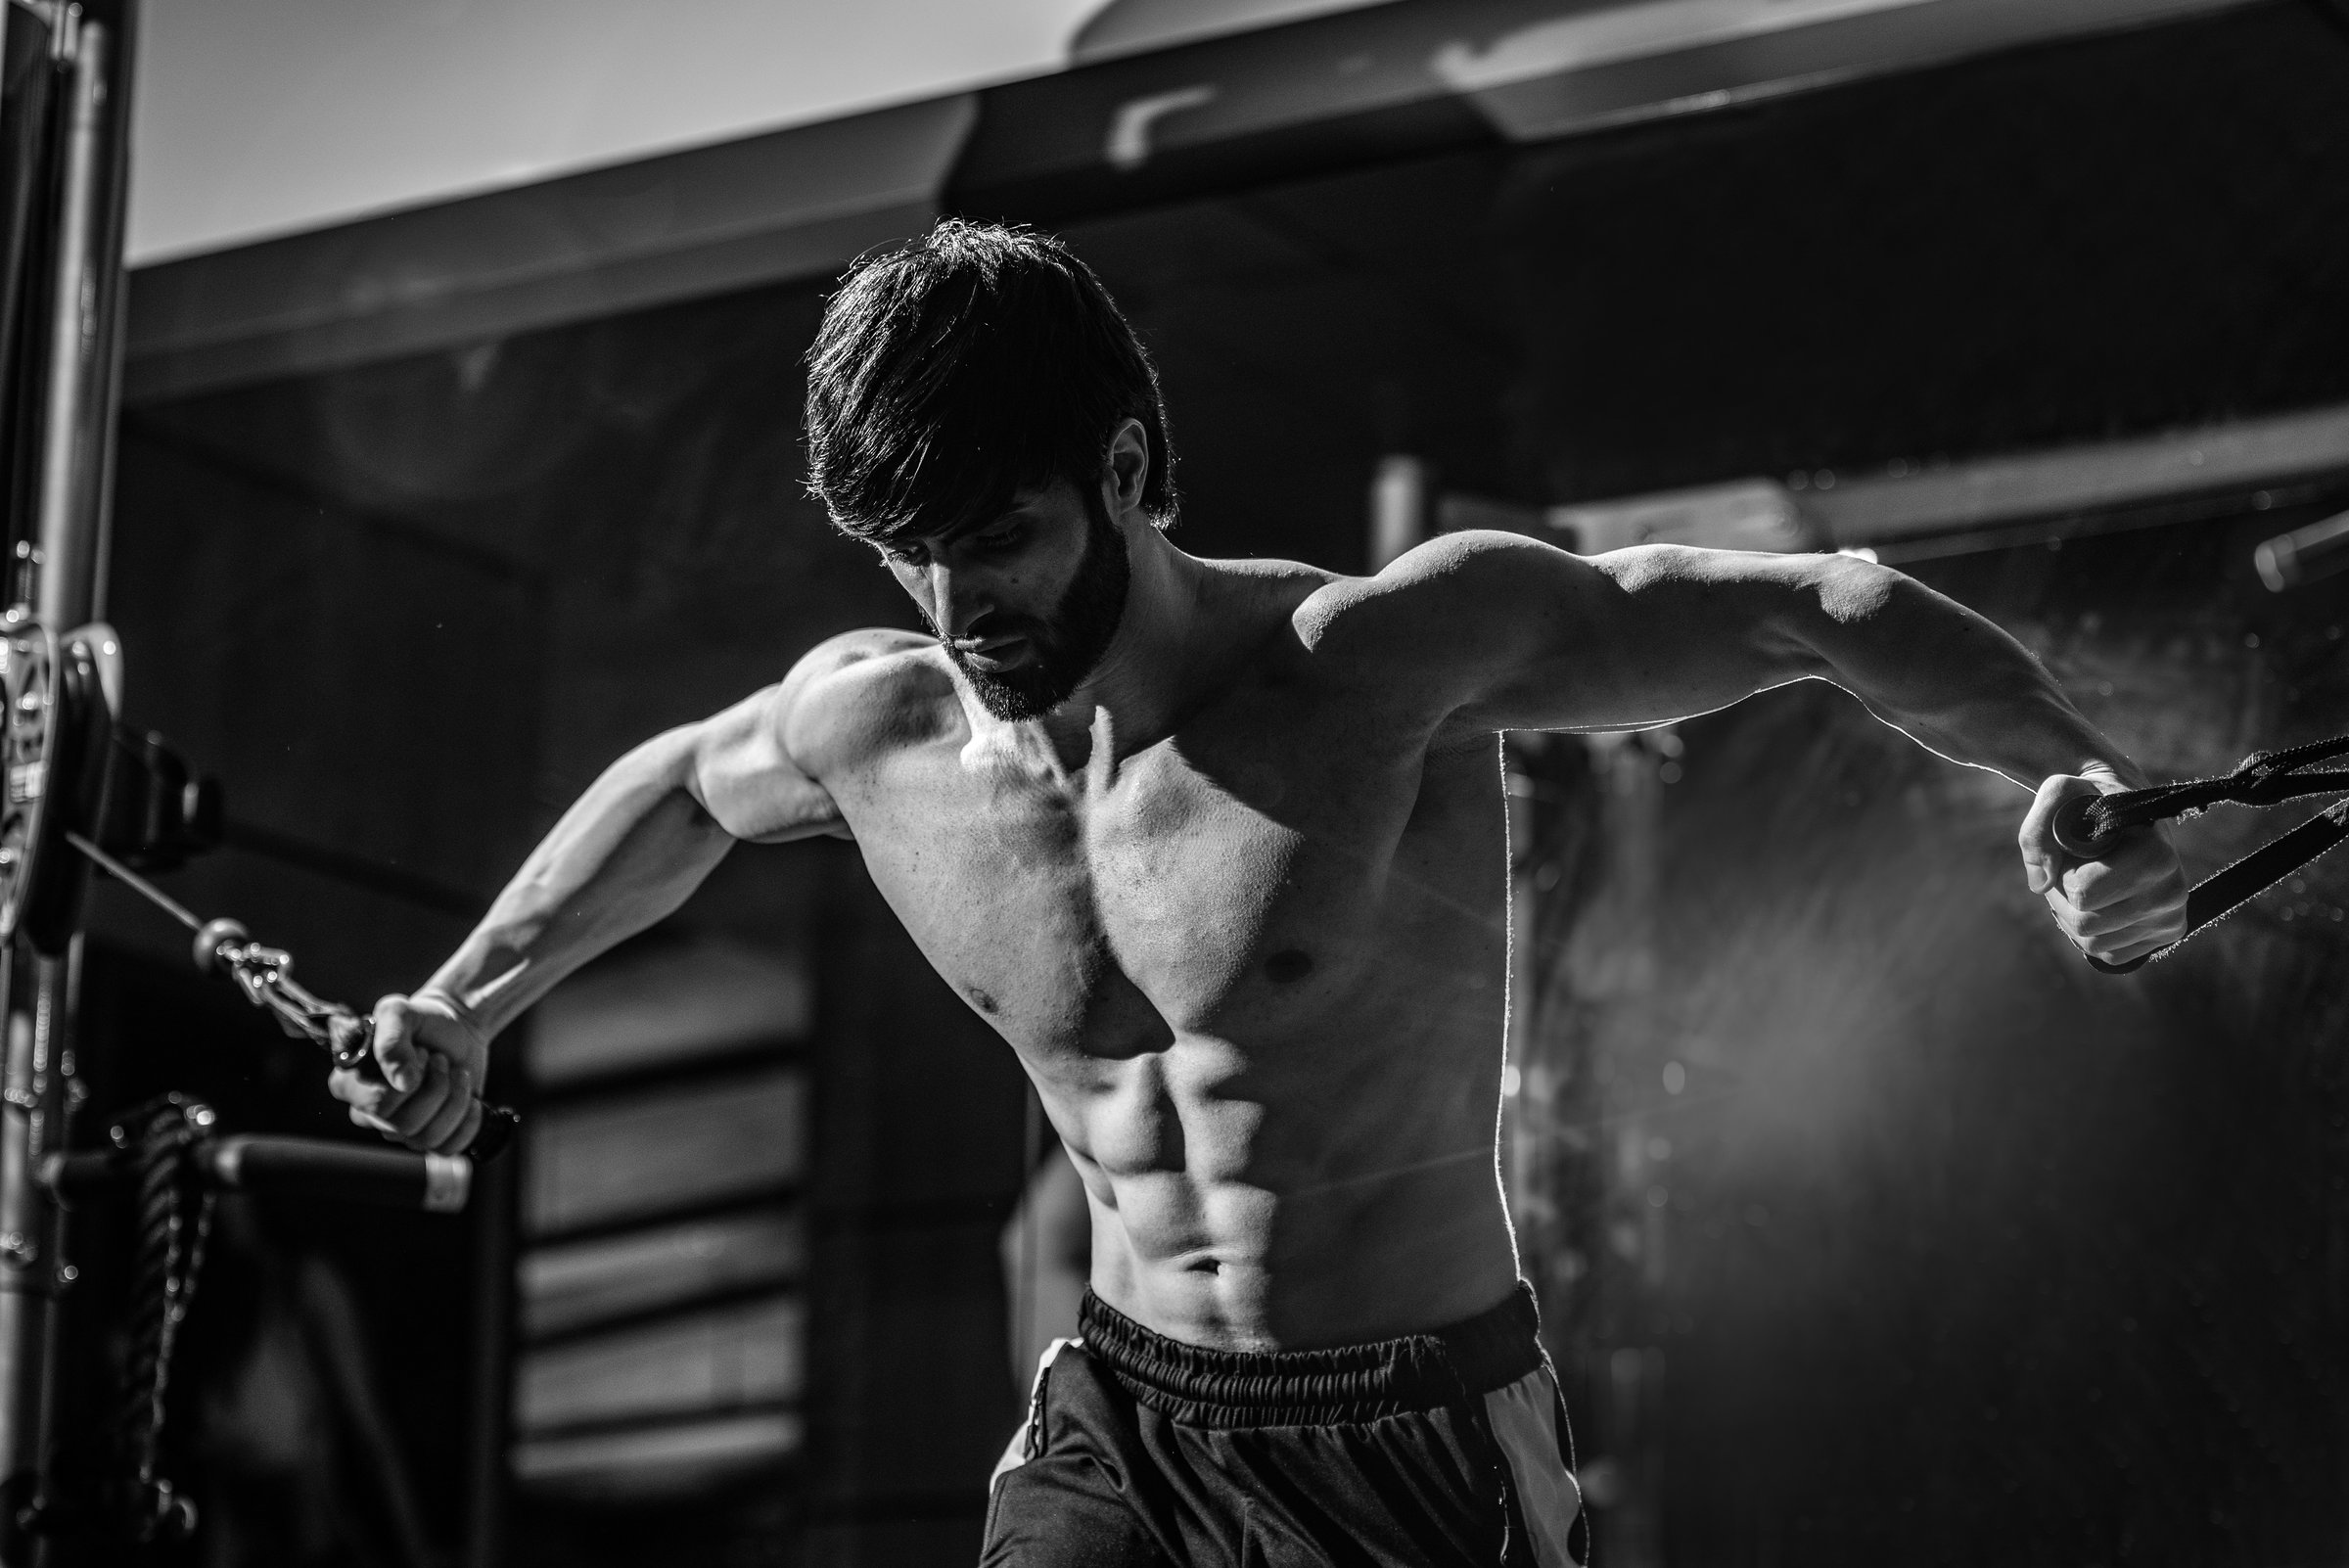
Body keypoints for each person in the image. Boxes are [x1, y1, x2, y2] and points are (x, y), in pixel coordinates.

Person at [329, 220, 2188, 1566]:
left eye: (999, 540)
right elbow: (676, 787)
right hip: (1121, 1422)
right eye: (913, 558)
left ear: (1124, 470)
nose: (961, 612)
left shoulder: (1378, 664)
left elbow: (1813, 608)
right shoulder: (878, 727)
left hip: (1410, 1430)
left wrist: (2071, 772)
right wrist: (463, 1000)